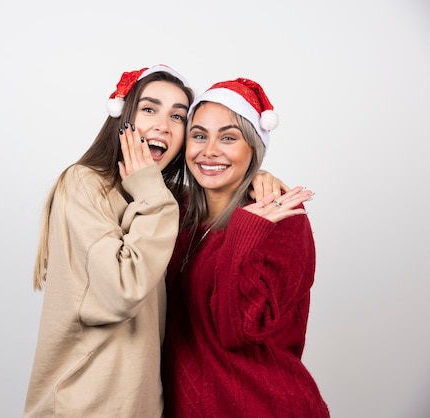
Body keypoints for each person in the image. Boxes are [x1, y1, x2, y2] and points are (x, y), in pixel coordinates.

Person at [24, 65, 285, 417]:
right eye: (149, 109)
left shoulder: (165, 199)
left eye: (178, 117)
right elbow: (122, 291)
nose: (163, 124)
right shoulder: (84, 184)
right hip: (84, 405)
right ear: (123, 118)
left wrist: (255, 175)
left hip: (142, 406)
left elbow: (216, 194)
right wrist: (150, 187)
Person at [162, 78, 330, 417]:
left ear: (253, 147)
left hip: (263, 406)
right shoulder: (175, 212)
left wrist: (244, 230)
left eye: (228, 137)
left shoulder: (282, 219)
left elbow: (239, 329)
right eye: (199, 135)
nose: (209, 150)